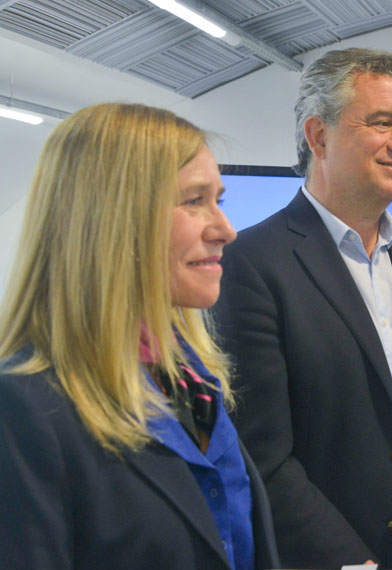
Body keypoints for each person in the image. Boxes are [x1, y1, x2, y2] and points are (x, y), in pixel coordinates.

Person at [213, 47, 392, 570]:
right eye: (383, 123)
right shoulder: (251, 264)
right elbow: (260, 453)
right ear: (319, 136)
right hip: (322, 555)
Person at [0, 103, 280, 569]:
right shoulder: (25, 409)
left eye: (219, 200)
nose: (226, 230)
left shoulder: (190, 378)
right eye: (194, 201)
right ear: (114, 216)